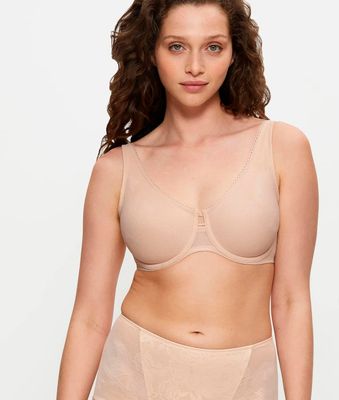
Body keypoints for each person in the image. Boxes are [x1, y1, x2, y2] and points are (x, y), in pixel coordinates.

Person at [57, 0, 318, 399]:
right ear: (151, 52)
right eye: (176, 46)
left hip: (244, 381)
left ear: (234, 54)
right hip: (134, 376)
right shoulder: (116, 170)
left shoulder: (282, 148)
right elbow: (90, 316)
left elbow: (291, 299)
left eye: (213, 47)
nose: (195, 66)